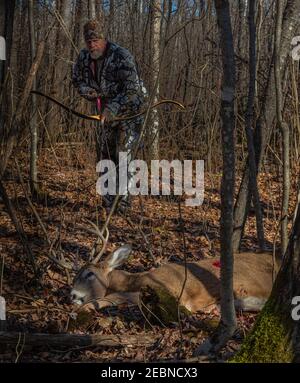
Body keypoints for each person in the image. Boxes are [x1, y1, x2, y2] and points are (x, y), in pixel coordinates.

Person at [72, 19, 147, 212]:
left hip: (130, 112)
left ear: (104, 39)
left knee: (124, 155)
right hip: (105, 114)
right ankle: (107, 201)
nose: (92, 44)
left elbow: (133, 89)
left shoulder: (121, 55)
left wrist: (112, 108)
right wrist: (87, 91)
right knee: (105, 154)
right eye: (88, 41)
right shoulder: (83, 57)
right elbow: (77, 80)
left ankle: (122, 204)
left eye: (95, 40)